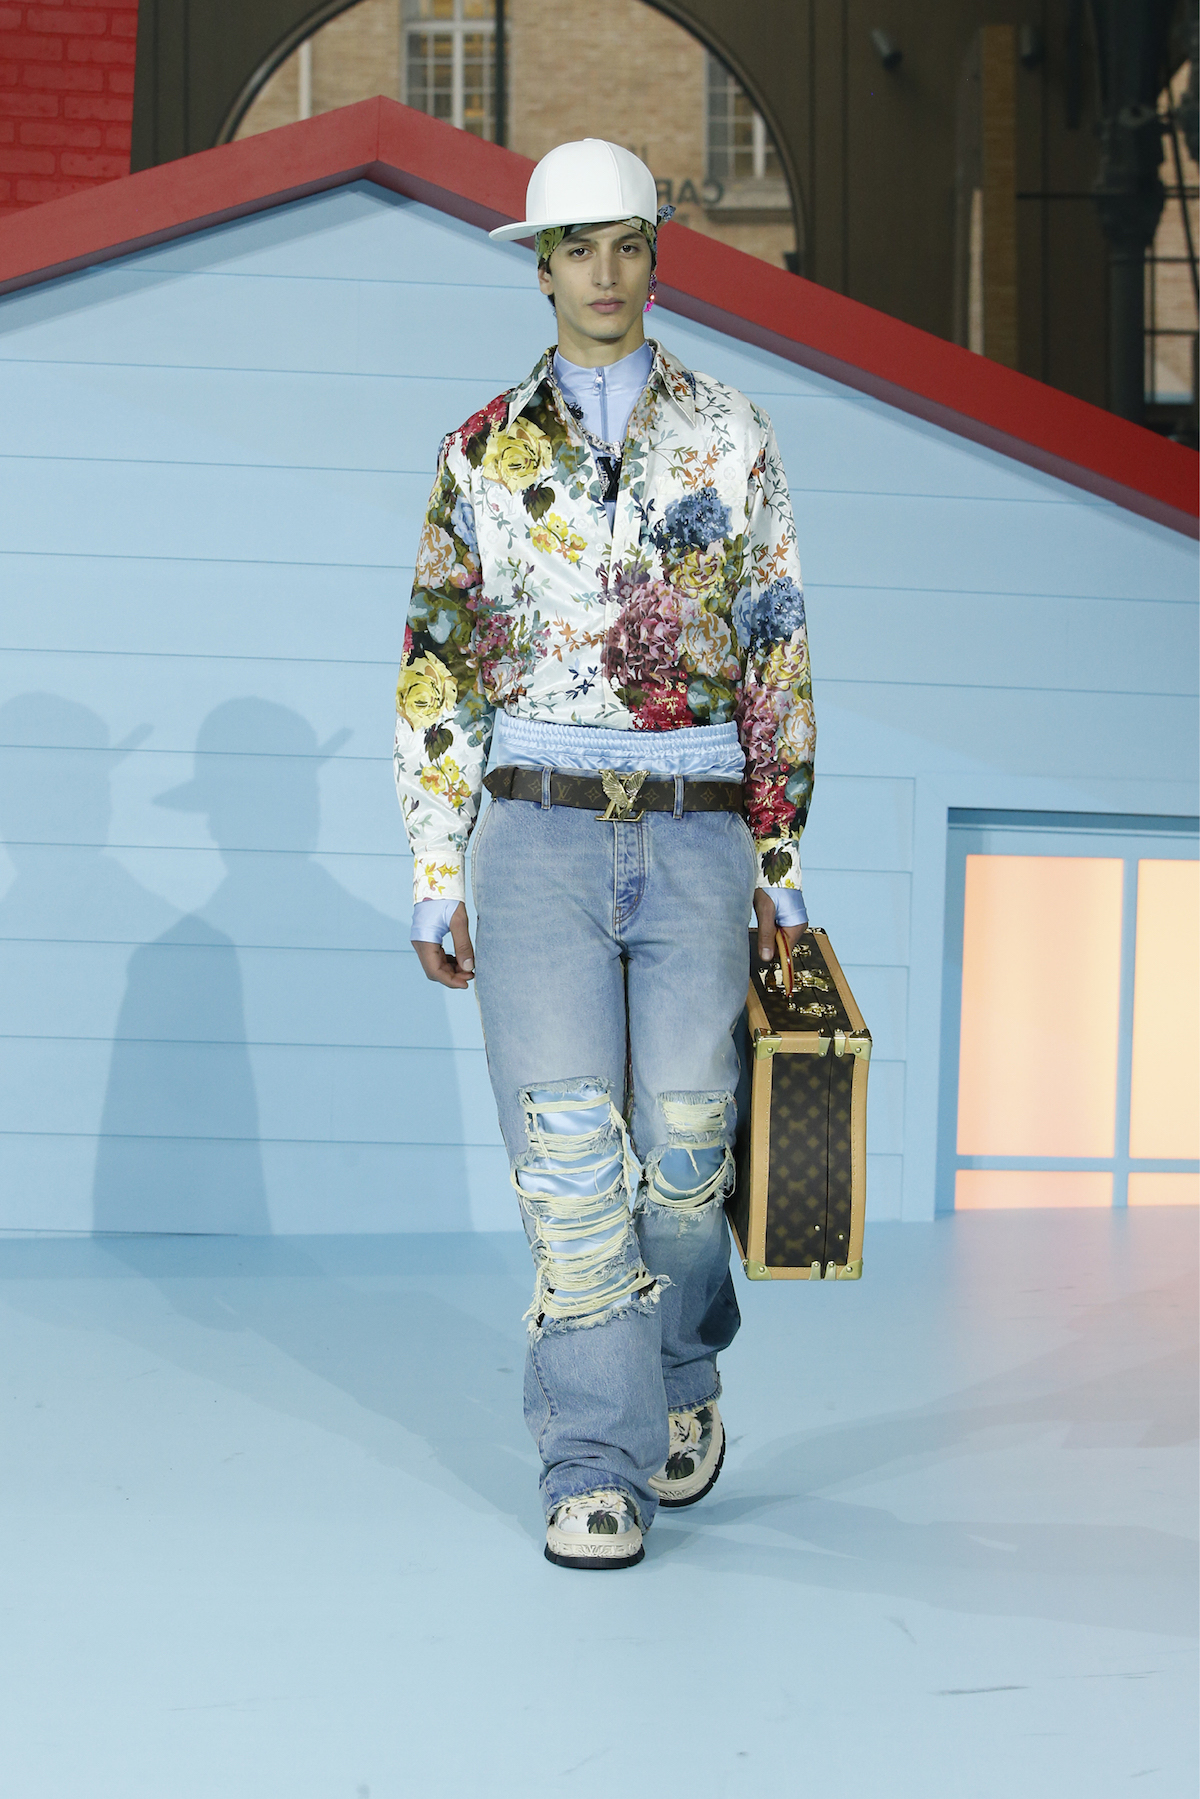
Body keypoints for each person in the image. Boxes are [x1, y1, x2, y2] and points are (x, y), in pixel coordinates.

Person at [394, 139, 813, 1570]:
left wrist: (780, 857)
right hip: (536, 836)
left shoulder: (735, 434)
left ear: (655, 252)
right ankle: (594, 1462)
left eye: (628, 243)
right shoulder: (478, 452)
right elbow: (439, 666)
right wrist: (435, 868)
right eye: (577, 248)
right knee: (572, 1165)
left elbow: (776, 648)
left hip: (699, 834)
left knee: (687, 1162)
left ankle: (681, 1364)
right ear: (541, 266)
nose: (606, 272)